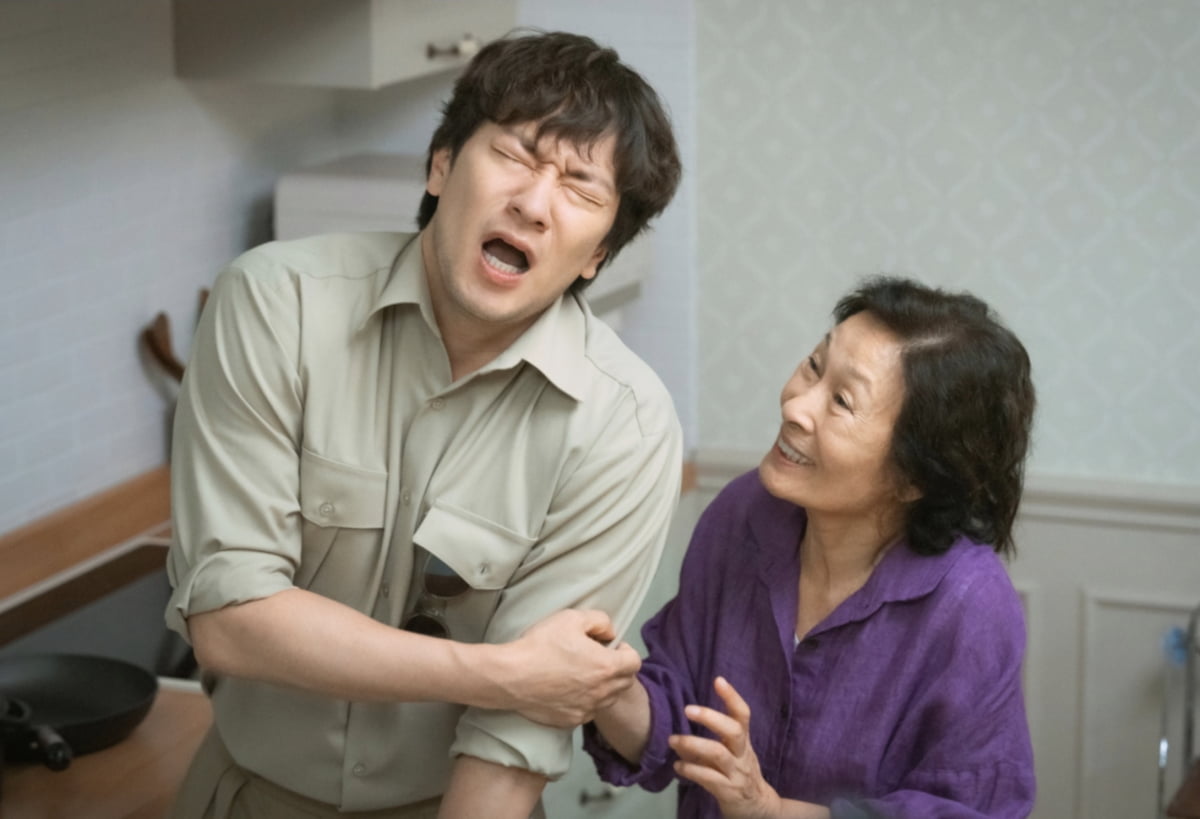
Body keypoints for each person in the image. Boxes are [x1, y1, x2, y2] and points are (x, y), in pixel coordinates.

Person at [164, 30, 683, 819]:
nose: (534, 203)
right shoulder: (273, 302)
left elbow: (514, 739)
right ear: (441, 165)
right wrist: (502, 672)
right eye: (515, 154)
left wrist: (520, 687)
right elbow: (231, 621)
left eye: (580, 188)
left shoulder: (625, 425)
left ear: (597, 255)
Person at [585, 276, 1037, 818]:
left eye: (842, 401)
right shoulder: (744, 514)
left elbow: (966, 811)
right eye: (814, 366)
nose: (796, 405)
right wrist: (603, 683)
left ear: (916, 475)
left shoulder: (970, 605)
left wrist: (769, 811)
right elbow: (679, 724)